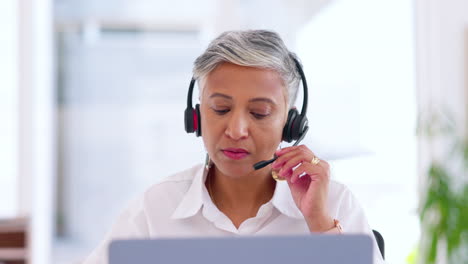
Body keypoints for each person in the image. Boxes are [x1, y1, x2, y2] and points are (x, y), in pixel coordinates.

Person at [83, 30, 385, 264]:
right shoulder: (156, 208)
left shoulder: (335, 203)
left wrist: (320, 224)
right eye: (220, 109)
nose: (237, 130)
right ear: (197, 117)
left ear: (291, 123)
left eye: (259, 113)